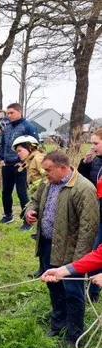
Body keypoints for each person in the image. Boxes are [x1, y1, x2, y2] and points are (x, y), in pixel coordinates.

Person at [24, 151, 98, 348]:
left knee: (73, 293)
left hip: (72, 252)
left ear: (62, 168)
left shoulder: (83, 189)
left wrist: (78, 261)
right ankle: (58, 325)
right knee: (53, 286)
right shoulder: (47, 182)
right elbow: (35, 200)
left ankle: (74, 336)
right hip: (49, 244)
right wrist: (30, 211)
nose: (44, 173)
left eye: (48, 169)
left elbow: (88, 228)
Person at [0, 103, 39, 224]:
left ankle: (27, 220)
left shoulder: (28, 127)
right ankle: (8, 215)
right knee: (6, 192)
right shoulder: (7, 127)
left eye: (11, 113)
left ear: (19, 112)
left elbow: (35, 147)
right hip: (7, 164)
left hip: (21, 165)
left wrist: (25, 163)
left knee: (21, 192)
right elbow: (3, 144)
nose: (9, 115)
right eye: (7, 113)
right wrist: (1, 158)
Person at [78, 128, 102, 300]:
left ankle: (93, 291)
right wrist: (85, 163)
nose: (92, 147)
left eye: (96, 143)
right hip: (96, 210)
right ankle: (91, 288)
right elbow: (84, 179)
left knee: (97, 250)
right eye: (91, 143)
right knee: (93, 248)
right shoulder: (95, 160)